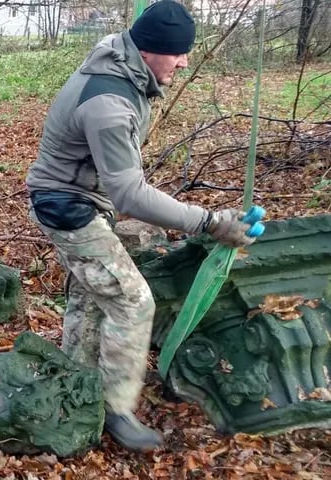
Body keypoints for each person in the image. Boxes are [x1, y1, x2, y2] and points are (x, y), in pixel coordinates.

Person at [25, 1, 259, 451]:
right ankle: (115, 409)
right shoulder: (110, 102)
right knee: (132, 302)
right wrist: (209, 222)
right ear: (150, 50)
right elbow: (130, 193)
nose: (185, 60)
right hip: (68, 208)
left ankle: (76, 386)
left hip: (75, 200)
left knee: (92, 298)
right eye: (178, 53)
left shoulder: (122, 69)